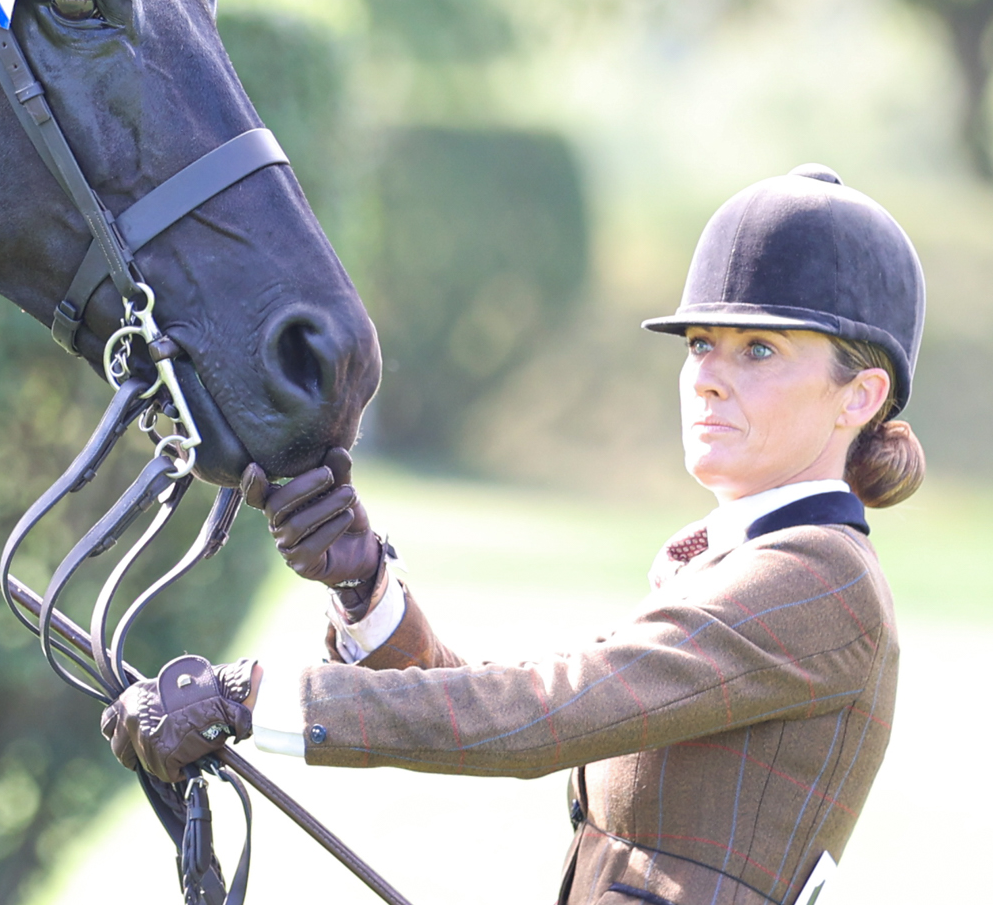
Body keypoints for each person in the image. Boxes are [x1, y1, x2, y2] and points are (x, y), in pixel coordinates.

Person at [102, 164, 925, 905]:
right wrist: (367, 594)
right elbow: (525, 706)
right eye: (703, 343)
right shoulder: (735, 557)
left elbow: (543, 713)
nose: (709, 372)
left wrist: (250, 697)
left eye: (759, 349)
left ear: (859, 396)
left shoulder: (817, 576)